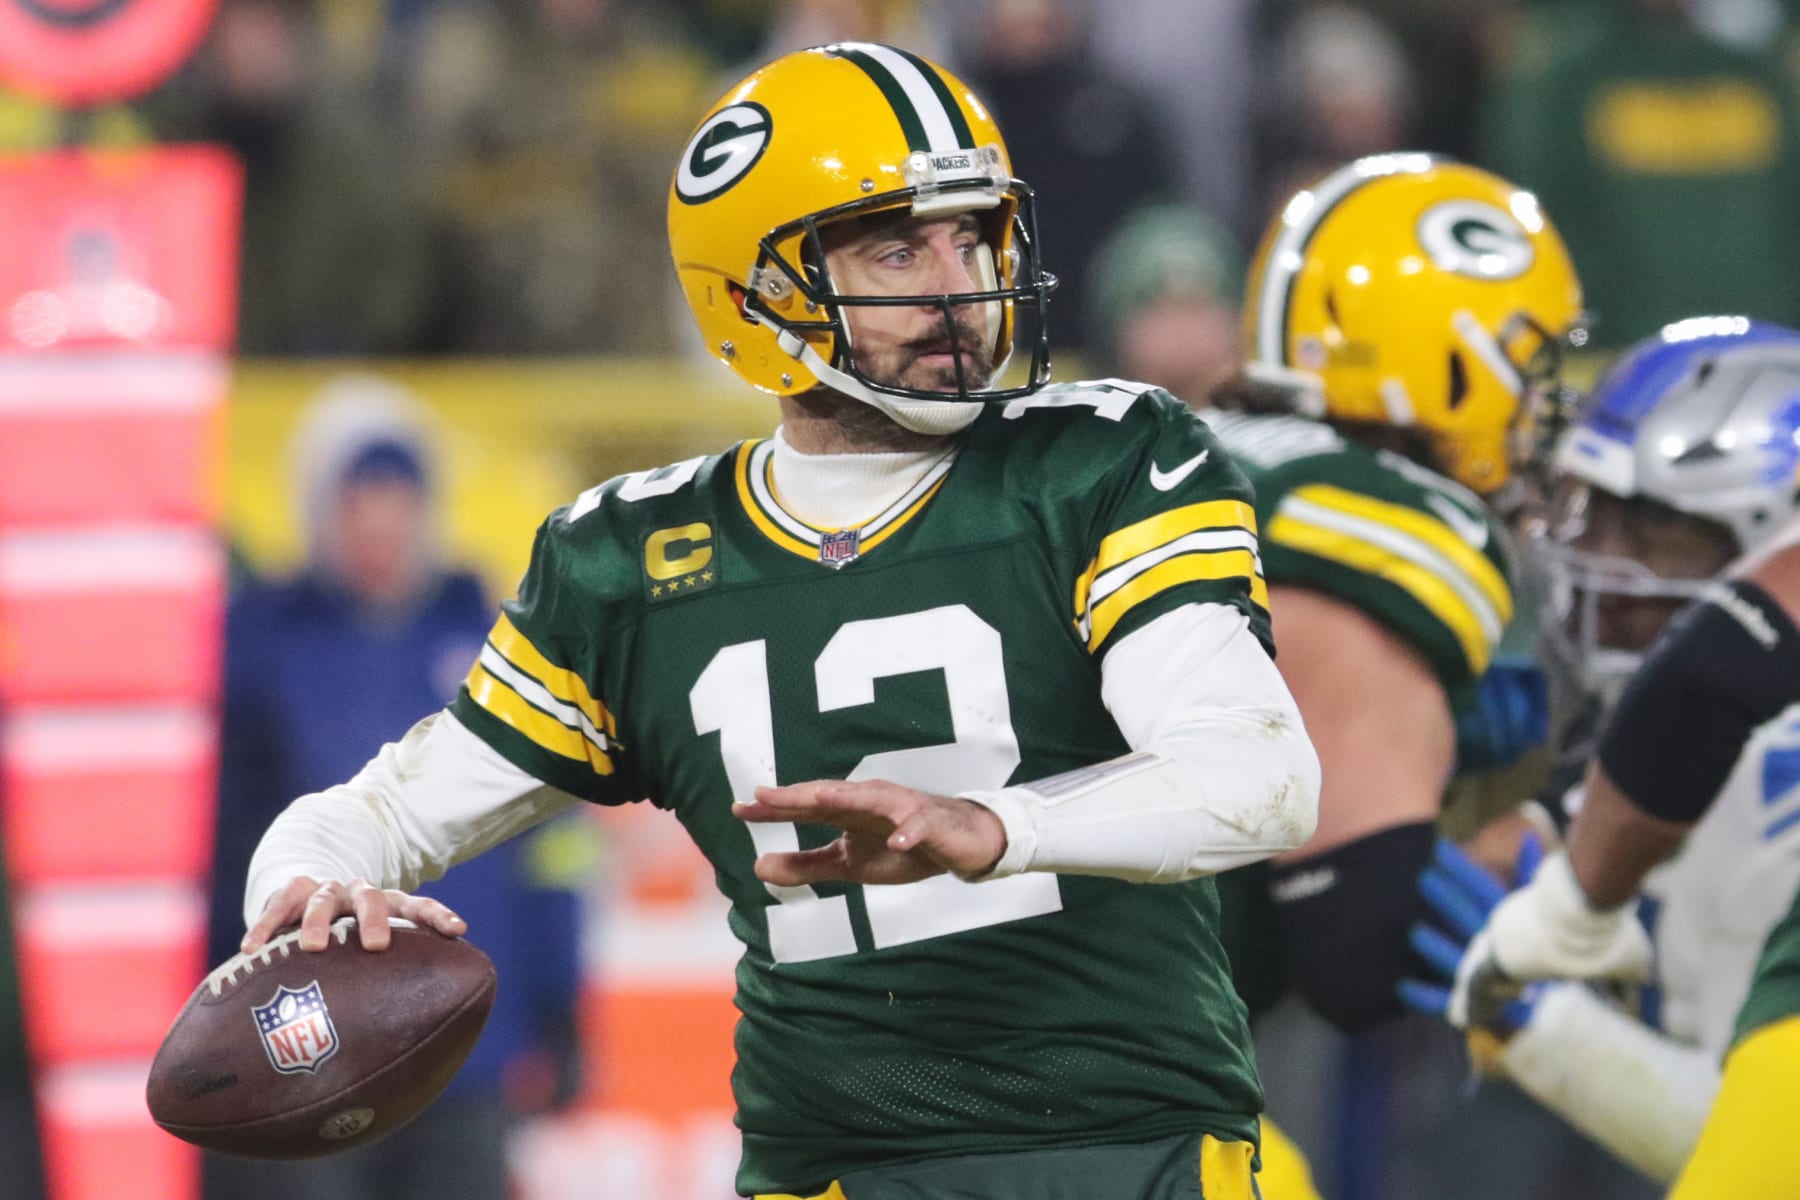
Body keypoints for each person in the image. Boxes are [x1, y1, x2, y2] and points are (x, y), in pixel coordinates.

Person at [235, 43, 1321, 1200]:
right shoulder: (635, 563)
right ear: (755, 293)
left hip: (1132, 1150)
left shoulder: (1101, 459)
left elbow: (1261, 776)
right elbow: (367, 818)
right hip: (836, 1172)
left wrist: (992, 827)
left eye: (971, 235)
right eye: (899, 249)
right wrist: (308, 890)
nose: (957, 285)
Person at [1193, 153, 1582, 1198]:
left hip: (889, 1075)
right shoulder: (1387, 523)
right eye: (1528, 360)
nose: (1543, 401)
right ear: (1446, 355)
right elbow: (1355, 952)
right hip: (1069, 1115)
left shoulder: (1187, 446)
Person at [1402, 317, 1800, 1185]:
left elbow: (1762, 1150)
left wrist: (1549, 1030)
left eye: (1654, 527)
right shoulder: (1661, 728)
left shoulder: (1773, 766)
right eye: (1595, 512)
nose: (1598, 560)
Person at [206, 377, 584, 1200]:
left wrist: (561, 1007)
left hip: (461, 1041)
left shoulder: (492, 642)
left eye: (397, 493)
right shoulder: (258, 645)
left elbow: (549, 843)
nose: (379, 520)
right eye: (356, 496)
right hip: (303, 1042)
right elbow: (216, 848)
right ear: (316, 507)